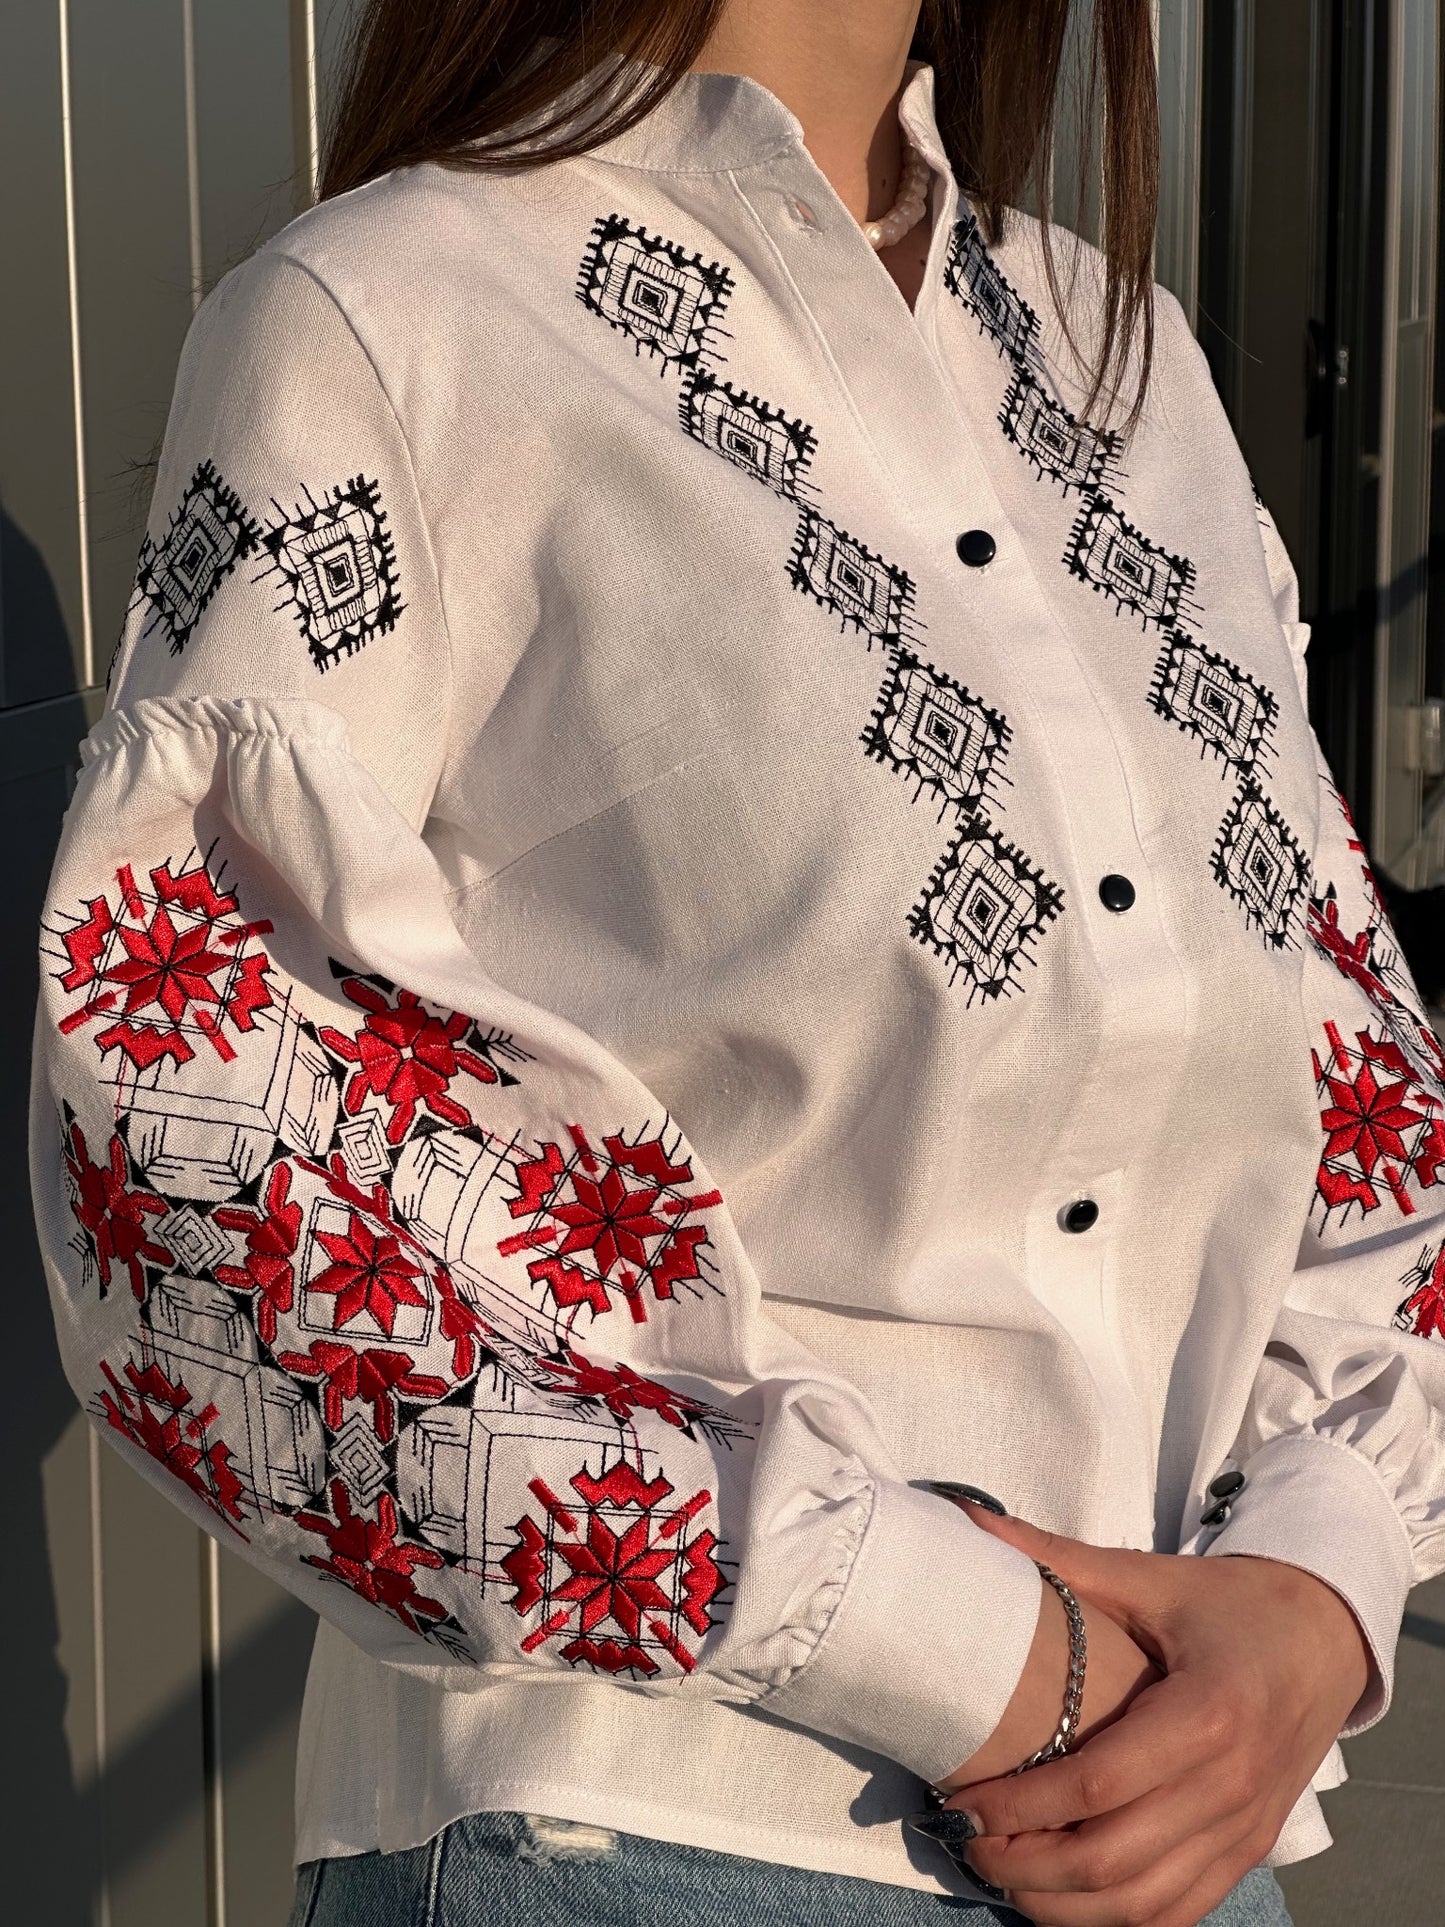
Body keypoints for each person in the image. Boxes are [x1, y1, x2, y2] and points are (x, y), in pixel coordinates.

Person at [30, 3, 1445, 1924]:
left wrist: (1320, 1583)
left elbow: (1359, 1081)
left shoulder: (1117, 359)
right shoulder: (391, 318)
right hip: (647, 1827)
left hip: (1189, 1825)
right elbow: (196, 1151)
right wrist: (967, 1650)